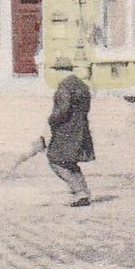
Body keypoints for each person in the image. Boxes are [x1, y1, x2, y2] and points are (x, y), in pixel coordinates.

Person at [46, 70, 95, 208]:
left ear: (59, 71)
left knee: (55, 160)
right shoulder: (83, 86)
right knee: (70, 161)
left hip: (65, 130)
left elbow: (62, 111)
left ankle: (79, 192)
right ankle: (84, 192)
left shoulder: (65, 87)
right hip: (81, 128)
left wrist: (51, 121)